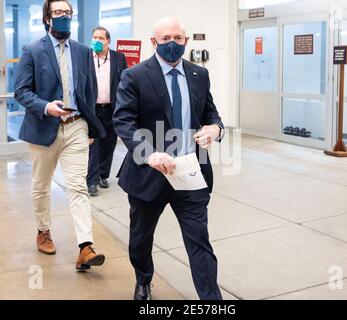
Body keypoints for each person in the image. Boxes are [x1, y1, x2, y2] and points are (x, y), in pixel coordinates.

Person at [113, 17, 225, 300]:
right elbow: (123, 121)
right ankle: (143, 279)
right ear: (154, 42)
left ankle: (211, 299)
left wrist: (216, 128)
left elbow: (210, 113)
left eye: (178, 38)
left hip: (190, 172)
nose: (172, 44)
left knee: (199, 239)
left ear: (186, 41)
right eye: (165, 39)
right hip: (149, 173)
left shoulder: (199, 75)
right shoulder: (135, 75)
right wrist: (149, 154)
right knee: (141, 238)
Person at [14, 0, 106, 271]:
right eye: (58, 13)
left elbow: (88, 91)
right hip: (44, 128)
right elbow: (21, 91)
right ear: (47, 18)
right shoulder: (32, 50)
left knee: (77, 185)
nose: (64, 16)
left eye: (68, 12)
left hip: (76, 125)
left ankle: (85, 247)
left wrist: (89, 126)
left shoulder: (82, 51)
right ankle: (43, 231)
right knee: (41, 185)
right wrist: (46, 107)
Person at [87, 27, 128, 197]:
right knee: (93, 145)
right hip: (93, 109)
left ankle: (103, 175)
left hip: (112, 109)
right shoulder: (86, 57)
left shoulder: (119, 58)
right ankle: (92, 181)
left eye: (100, 38)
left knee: (108, 144)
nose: (97, 40)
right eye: (94, 37)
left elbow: (125, 83)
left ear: (108, 41)